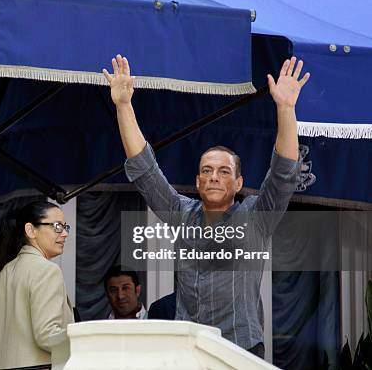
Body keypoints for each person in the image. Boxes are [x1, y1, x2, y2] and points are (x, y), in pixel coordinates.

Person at [102, 55, 309, 358]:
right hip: (190, 351)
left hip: (241, 349)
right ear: (197, 181)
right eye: (207, 171)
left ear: (239, 183)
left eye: (224, 171)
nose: (214, 176)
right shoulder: (181, 214)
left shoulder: (256, 218)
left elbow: (283, 174)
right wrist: (123, 106)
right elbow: (145, 170)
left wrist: (286, 109)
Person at [0, 201, 74, 370]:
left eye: (65, 227)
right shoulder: (47, 270)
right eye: (57, 226)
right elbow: (47, 336)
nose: (65, 233)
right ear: (31, 230)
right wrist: (85, 341)